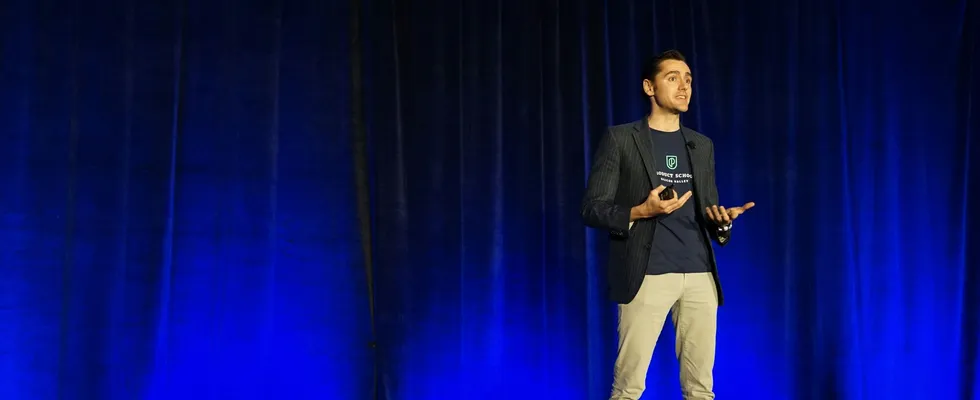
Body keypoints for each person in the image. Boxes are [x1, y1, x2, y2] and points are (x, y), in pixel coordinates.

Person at [580, 50, 755, 400]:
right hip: (646, 274)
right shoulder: (621, 139)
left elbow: (708, 213)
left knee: (701, 390)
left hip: (700, 274)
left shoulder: (701, 145)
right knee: (628, 388)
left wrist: (722, 222)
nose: (684, 86)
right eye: (673, 78)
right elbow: (592, 209)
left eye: (688, 79)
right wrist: (640, 211)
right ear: (649, 87)